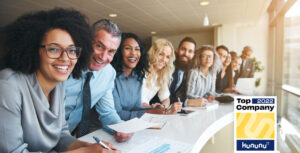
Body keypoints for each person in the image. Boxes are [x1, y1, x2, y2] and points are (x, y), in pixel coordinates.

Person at [0, 8, 119, 153]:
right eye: (54, 49)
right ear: (33, 49)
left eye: (71, 50)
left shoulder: (58, 86)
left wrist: (88, 146)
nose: (65, 58)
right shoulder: (8, 86)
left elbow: (61, 136)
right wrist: (84, 152)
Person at [64, 19, 133, 142]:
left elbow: (107, 113)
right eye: (99, 46)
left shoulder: (108, 73)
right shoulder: (64, 64)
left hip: (67, 140)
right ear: (87, 41)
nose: (103, 57)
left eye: (111, 51)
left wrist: (120, 127)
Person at [112, 33, 165, 121]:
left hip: (130, 125)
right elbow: (117, 114)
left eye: (137, 49)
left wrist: (152, 108)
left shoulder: (138, 77)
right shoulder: (112, 77)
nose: (133, 53)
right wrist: (148, 112)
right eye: (128, 48)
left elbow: (136, 108)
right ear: (119, 51)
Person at [141, 38, 182, 114]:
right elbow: (138, 101)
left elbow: (166, 98)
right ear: (153, 53)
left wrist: (163, 107)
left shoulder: (161, 74)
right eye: (161, 54)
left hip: (146, 112)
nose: (164, 59)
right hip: (134, 113)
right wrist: (152, 108)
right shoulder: (142, 71)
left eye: (167, 57)